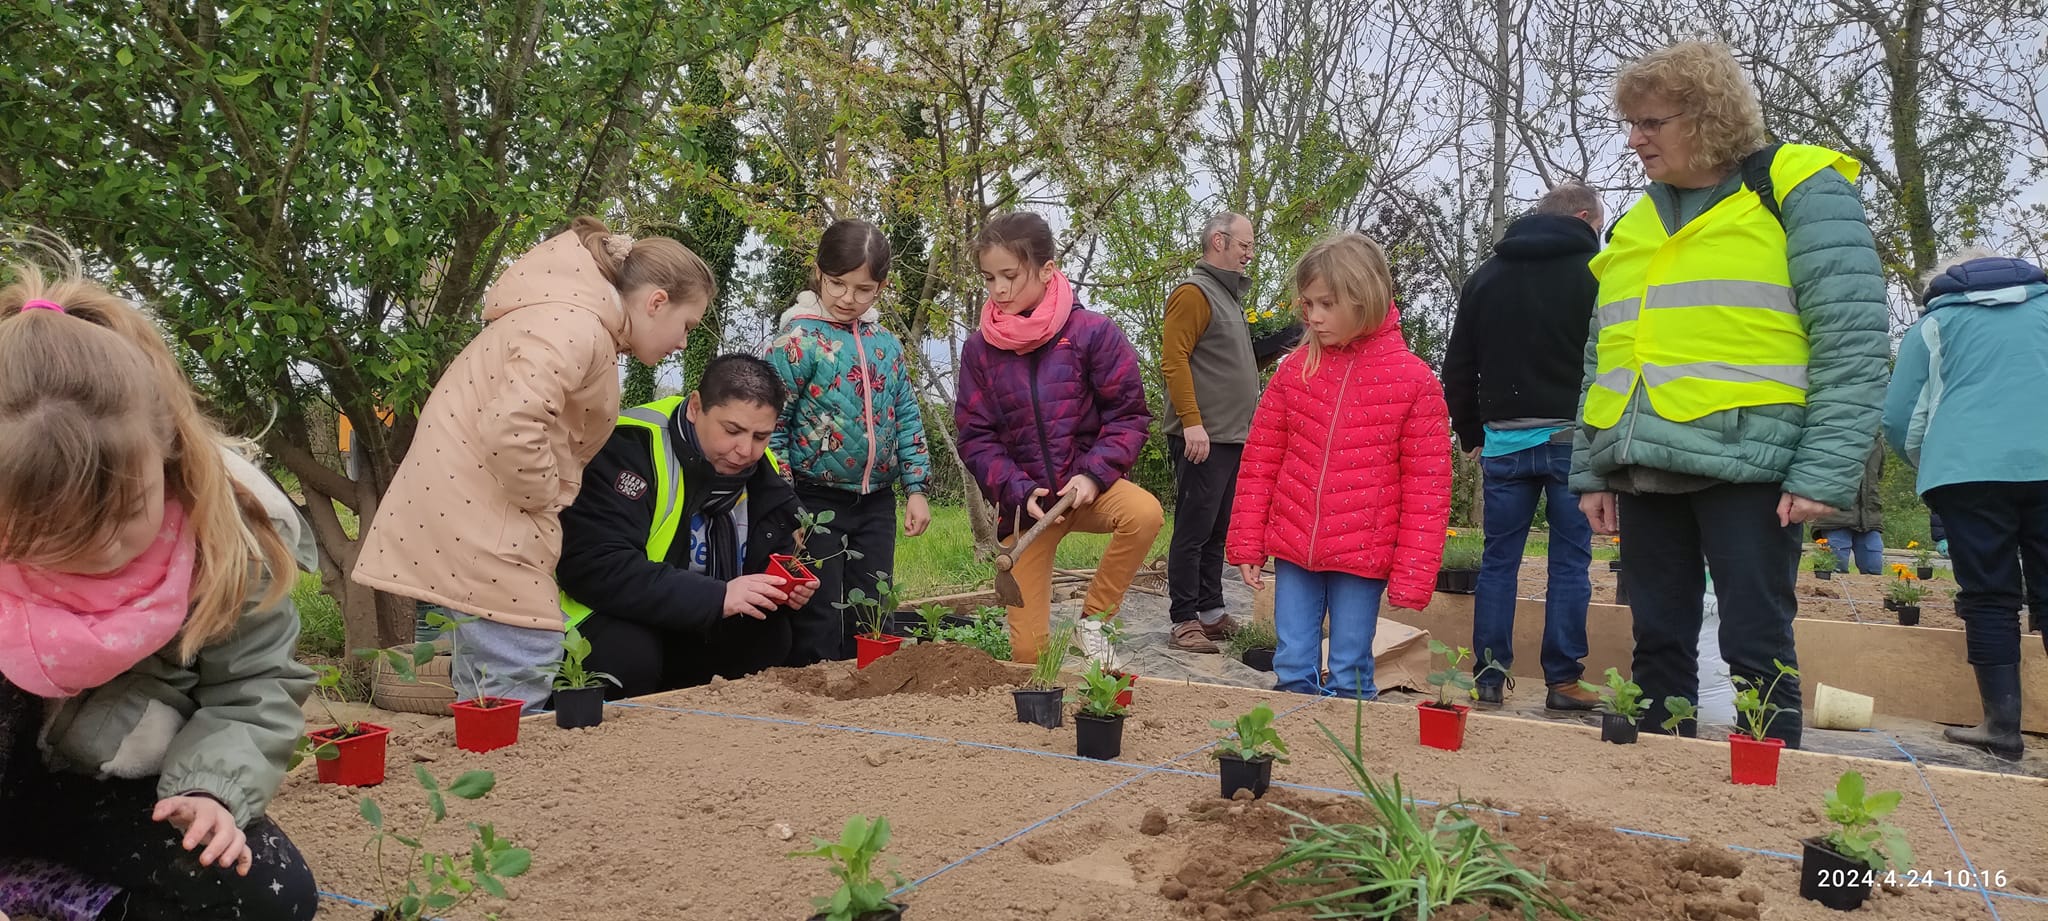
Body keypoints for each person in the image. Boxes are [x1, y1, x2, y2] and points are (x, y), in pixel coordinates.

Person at [1570, 41, 1889, 748]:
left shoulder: (1798, 189)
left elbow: (1853, 338)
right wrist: (1592, 468)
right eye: (1631, 122)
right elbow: (1606, 351)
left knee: (1755, 643)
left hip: (1753, 465)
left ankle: (1766, 799)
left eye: (1651, 121)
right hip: (1648, 464)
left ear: (1707, 117)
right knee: (1655, 643)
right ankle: (1659, 793)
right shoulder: (1638, 222)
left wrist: (1823, 470)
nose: (1634, 139)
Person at [0, 267, 321, 921]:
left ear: (169, 446)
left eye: (125, 512)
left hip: (93, 788)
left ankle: (53, 894)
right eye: (58, 538)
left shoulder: (230, 543)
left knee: (274, 894)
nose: (104, 549)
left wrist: (210, 791)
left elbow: (253, 691)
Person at [352, 217, 715, 712]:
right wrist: (545, 496)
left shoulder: (570, 317)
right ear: (656, 302)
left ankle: (486, 762)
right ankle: (506, 779)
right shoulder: (575, 326)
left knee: (498, 666)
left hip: (478, 505)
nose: (682, 344)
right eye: (687, 326)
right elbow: (512, 425)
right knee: (522, 656)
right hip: (490, 514)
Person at [1226, 232, 1453, 700]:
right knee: (1291, 660)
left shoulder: (1414, 382)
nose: (1313, 316)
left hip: (1363, 556)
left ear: (1364, 299)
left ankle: (1348, 761)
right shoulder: (1295, 370)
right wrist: (1248, 542)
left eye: (1326, 304)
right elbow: (1260, 461)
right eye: (1308, 304)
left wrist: (1412, 574)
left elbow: (1427, 489)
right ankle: (1293, 750)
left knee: (1350, 664)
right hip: (1294, 547)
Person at [955, 212, 1163, 666]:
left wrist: (1093, 474)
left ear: (1048, 270)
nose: (998, 290)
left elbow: (1128, 415)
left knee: (1144, 513)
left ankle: (1095, 622)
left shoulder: (1093, 334)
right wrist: (1018, 489)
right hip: (1027, 508)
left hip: (1085, 492)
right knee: (1029, 656)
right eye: (989, 278)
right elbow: (975, 436)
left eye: (1010, 275)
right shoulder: (980, 350)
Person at [556, 355, 818, 697]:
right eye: (732, 430)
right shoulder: (629, 445)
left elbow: (780, 549)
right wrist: (718, 595)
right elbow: (594, 566)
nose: (745, 451)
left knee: (769, 636)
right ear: (696, 407)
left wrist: (786, 585)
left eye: (761, 436)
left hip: (690, 611)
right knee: (629, 659)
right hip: (605, 611)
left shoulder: (764, 469)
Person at [1443, 183, 1604, 710]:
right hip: (1573, 441)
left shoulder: (1486, 278)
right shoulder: (1597, 276)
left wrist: (1470, 432)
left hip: (1504, 442)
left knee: (1498, 561)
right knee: (1570, 563)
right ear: (1584, 218)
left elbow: (1459, 365)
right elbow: (1616, 360)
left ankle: (1489, 676)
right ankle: (1562, 681)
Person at [1884, 249, 2048, 762]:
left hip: (1967, 473)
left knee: (1990, 596)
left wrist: (1933, 461)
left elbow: (1900, 417)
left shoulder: (1936, 325)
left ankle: (2003, 729)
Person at [765, 220, 933, 663]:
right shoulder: (797, 342)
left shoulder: (887, 345)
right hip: (812, 499)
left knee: (873, 609)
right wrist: (785, 501)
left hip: (876, 502)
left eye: (863, 289)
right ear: (819, 273)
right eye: (837, 284)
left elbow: (907, 415)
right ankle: (815, 708)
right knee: (817, 612)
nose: (847, 298)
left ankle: (868, 712)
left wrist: (915, 489)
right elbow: (772, 427)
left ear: (881, 286)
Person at [1159, 212, 1259, 653]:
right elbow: (1174, 359)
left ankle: (1212, 612)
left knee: (1218, 529)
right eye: (1244, 244)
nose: (1250, 253)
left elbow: (1228, 363)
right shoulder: (1194, 293)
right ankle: (1184, 618)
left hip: (1230, 436)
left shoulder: (1228, 299)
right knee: (1193, 529)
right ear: (1218, 241)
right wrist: (1192, 422)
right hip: (1202, 436)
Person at [1810, 438, 1887, 574]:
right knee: (1834, 570)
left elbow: (1877, 475)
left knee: (1874, 567)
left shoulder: (1877, 441)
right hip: (1835, 515)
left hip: (1869, 517)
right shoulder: (1832, 434)